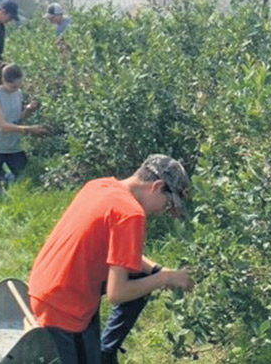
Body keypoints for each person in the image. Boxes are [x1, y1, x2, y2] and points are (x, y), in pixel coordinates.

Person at [28, 154, 194, 364]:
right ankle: (102, 354)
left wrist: (157, 271)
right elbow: (118, 293)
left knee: (140, 275)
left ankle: (106, 352)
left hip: (45, 284)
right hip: (65, 307)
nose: (164, 212)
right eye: (168, 204)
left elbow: (123, 254)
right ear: (157, 186)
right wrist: (166, 279)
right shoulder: (131, 214)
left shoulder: (100, 186)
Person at [0, 63, 46, 183]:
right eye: (12, 86)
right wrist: (29, 129)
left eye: (18, 86)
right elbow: (2, 126)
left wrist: (28, 110)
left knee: (25, 177)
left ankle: (6, 177)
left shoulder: (18, 93)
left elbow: (16, 120)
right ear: (3, 80)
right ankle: (1, 176)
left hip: (13, 146)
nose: (15, 89)